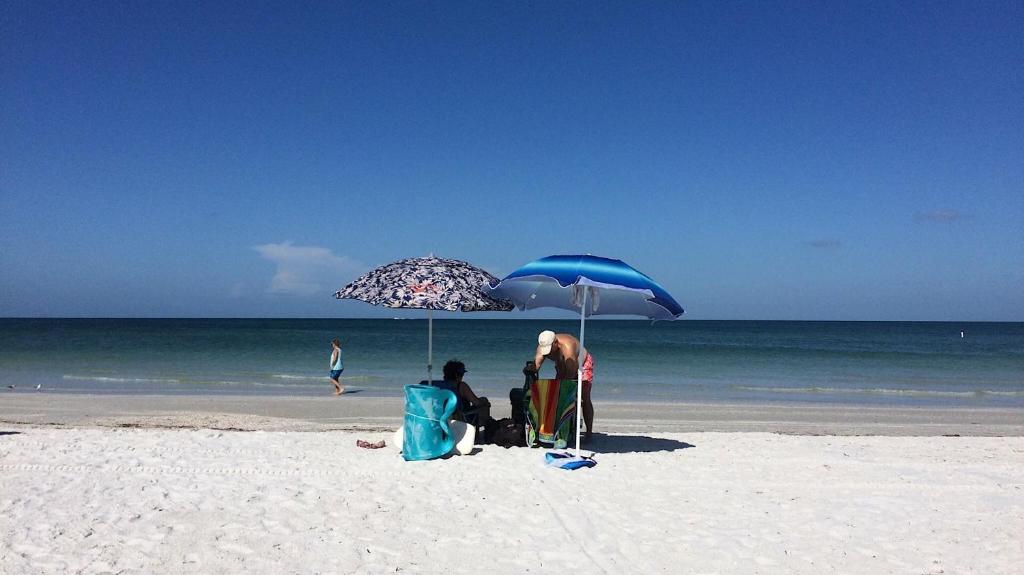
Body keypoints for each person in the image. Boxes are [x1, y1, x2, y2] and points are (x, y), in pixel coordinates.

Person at [532, 330, 595, 440]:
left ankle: (589, 432)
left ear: (555, 343)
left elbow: (571, 371)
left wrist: (565, 387)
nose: (548, 353)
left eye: (550, 349)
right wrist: (531, 370)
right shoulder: (543, 344)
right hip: (562, 364)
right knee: (558, 396)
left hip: (582, 364)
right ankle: (561, 427)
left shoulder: (567, 345)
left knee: (584, 397)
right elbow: (536, 364)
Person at [441, 360, 490, 425]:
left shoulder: (440, 386)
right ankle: (488, 426)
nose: (462, 376)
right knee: (484, 401)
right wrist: (485, 403)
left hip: (443, 417)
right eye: (462, 374)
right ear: (456, 375)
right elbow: (476, 402)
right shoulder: (461, 386)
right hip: (461, 419)